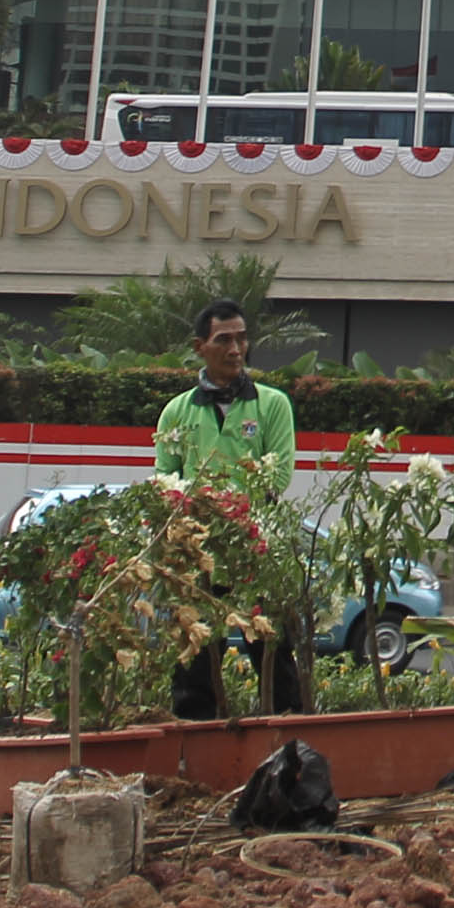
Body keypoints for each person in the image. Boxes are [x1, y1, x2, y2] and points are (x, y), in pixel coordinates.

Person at [156, 298, 309, 718]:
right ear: (199, 346)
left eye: (242, 339)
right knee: (197, 652)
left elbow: (277, 476)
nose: (236, 349)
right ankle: (195, 741)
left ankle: (284, 734)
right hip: (197, 553)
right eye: (224, 339)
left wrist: (229, 515)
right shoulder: (176, 412)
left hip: (256, 549)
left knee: (272, 648)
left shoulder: (272, 404)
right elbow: (165, 480)